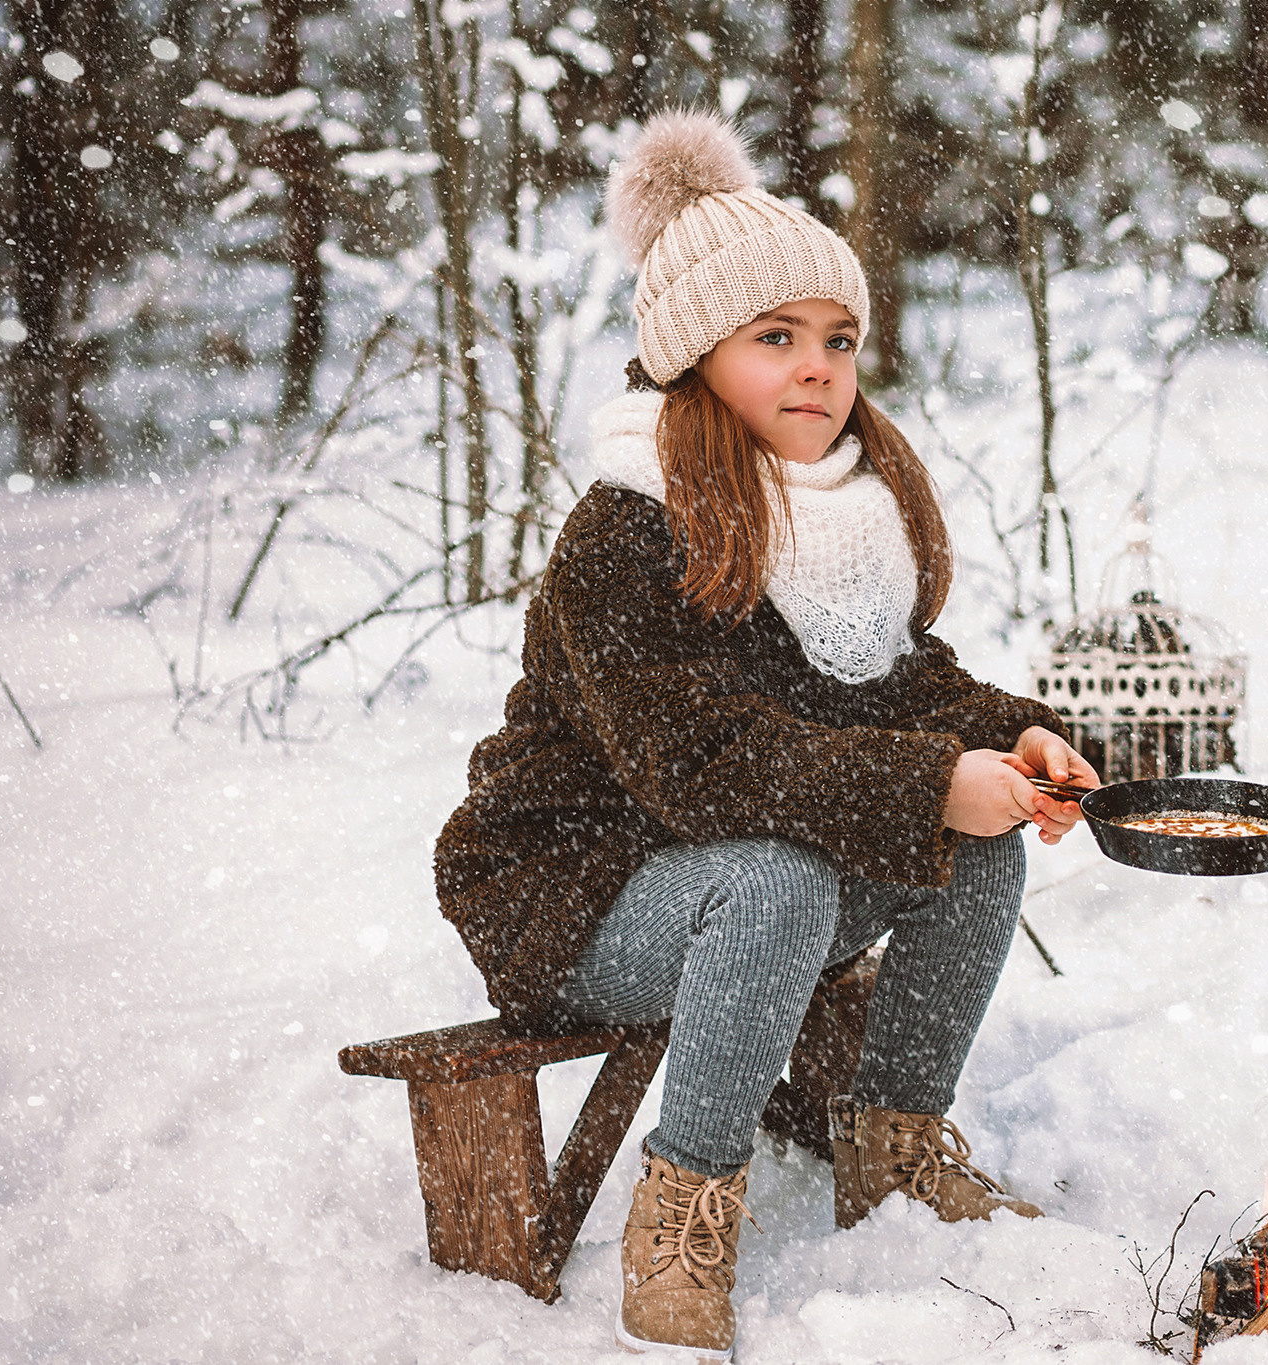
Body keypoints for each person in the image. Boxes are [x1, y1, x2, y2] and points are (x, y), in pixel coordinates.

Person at [433, 109, 1098, 1363]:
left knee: (975, 843)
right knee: (779, 876)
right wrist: (920, 783)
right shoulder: (622, 534)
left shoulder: (836, 510)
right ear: (692, 358)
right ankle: (683, 1215)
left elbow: (901, 687)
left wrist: (1008, 740)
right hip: (572, 891)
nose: (817, 369)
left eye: (837, 340)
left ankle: (893, 1149)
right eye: (775, 339)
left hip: (730, 871)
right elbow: (701, 769)